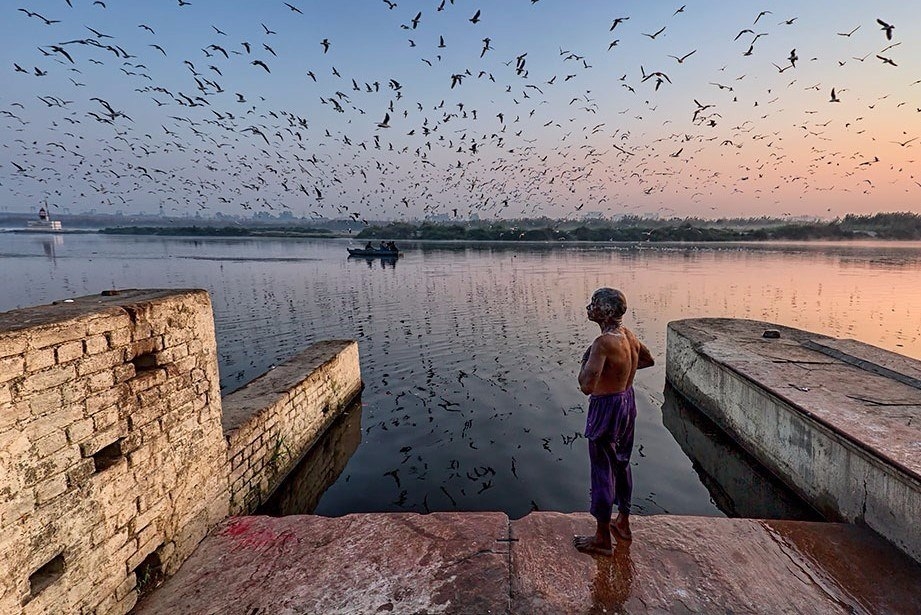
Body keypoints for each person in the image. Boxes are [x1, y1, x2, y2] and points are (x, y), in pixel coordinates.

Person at [573, 288, 654, 556]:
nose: (588, 307)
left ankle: (602, 538)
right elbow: (647, 360)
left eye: (593, 304)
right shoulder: (628, 335)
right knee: (621, 462)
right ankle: (624, 523)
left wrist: (586, 360)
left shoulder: (603, 343)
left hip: (606, 407)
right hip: (627, 402)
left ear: (606, 311)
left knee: (602, 469)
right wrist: (619, 373)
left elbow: (586, 385)